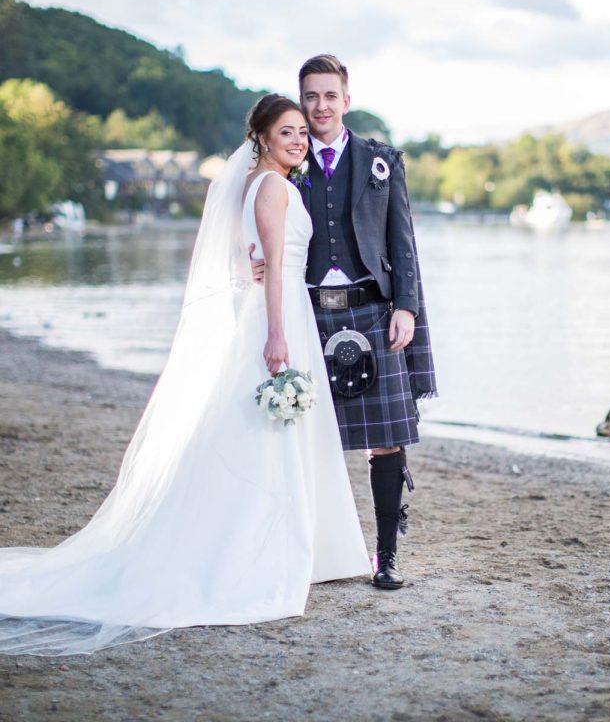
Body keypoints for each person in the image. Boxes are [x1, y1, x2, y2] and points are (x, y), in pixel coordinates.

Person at [0, 96, 370, 657]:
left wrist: (256, 282)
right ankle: (264, 550)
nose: (298, 139)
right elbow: (273, 265)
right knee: (265, 435)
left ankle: (295, 547)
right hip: (278, 314)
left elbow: (250, 259)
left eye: (302, 132)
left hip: (277, 306)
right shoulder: (274, 188)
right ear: (263, 139)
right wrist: (277, 334)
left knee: (257, 433)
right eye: (287, 131)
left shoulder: (256, 185)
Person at [250, 55, 437, 589]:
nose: (320, 106)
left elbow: (404, 243)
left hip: (373, 311)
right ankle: (302, 548)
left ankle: (385, 555)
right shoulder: (288, 161)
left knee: (386, 439)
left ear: (346, 101)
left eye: (329, 96)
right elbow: (263, 224)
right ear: (301, 100)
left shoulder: (380, 160)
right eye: (310, 97)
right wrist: (254, 259)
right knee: (300, 435)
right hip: (308, 313)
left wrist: (407, 307)